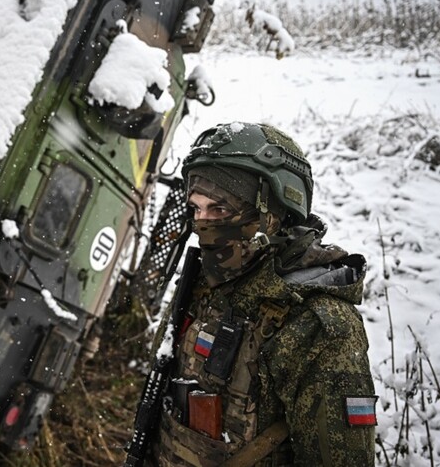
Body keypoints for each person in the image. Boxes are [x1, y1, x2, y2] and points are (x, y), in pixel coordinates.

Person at [150, 122, 376, 466]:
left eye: (220, 209)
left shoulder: (319, 327)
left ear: (276, 212)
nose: (204, 225)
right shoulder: (207, 287)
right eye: (196, 209)